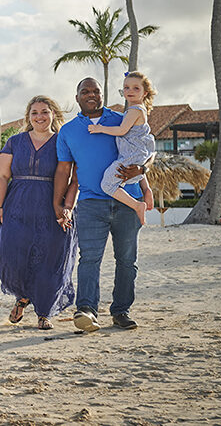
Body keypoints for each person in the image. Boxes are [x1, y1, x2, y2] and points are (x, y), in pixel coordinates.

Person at [54, 78, 152, 333]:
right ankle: (86, 310)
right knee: (89, 259)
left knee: (127, 260)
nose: (90, 95)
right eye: (84, 91)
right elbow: (64, 170)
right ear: (77, 98)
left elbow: (142, 152)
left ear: (102, 94)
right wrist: (60, 203)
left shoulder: (120, 119)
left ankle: (121, 311)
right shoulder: (67, 131)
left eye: (95, 91)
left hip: (128, 202)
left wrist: (144, 178)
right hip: (89, 204)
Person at [0, 96, 77, 330]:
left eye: (45, 112)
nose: (40, 117)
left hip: (52, 205)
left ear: (54, 115)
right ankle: (23, 296)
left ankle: (44, 312)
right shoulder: (14, 142)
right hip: (17, 205)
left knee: (50, 258)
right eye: (35, 113)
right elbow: (1, 176)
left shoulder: (63, 141)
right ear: (28, 116)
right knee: (7, 254)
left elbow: (72, 178)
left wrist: (66, 207)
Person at [88, 71, 158, 225]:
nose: (130, 91)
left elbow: (121, 131)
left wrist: (100, 128)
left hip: (131, 155)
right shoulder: (135, 110)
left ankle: (136, 205)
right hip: (135, 154)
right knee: (116, 181)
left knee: (106, 185)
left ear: (145, 93)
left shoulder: (135, 110)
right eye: (126, 88)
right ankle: (140, 200)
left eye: (135, 88)